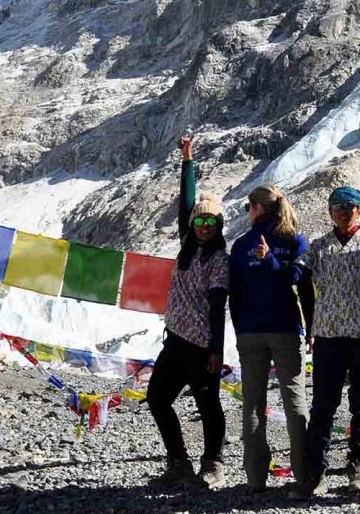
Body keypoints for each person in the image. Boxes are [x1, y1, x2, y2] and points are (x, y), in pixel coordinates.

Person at [292, 186, 360, 499]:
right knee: (323, 404)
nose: (343, 210)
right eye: (337, 206)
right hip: (327, 335)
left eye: (350, 205)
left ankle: (358, 465)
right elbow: (297, 274)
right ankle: (316, 473)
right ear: (329, 212)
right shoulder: (317, 247)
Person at [146, 136, 229, 489]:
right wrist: (188, 160)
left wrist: (216, 350)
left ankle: (213, 465)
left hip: (201, 346)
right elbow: (187, 202)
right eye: (200, 221)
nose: (205, 226)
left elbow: (218, 307)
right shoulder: (186, 246)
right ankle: (178, 462)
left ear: (219, 225)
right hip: (176, 341)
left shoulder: (219, 261)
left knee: (208, 405)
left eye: (211, 222)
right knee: (158, 398)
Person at [229, 185, 314, 493]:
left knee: (252, 404)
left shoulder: (240, 246)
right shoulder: (295, 241)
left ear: (258, 208)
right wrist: (311, 326)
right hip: (286, 327)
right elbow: (303, 285)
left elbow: (234, 293)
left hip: (250, 331)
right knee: (294, 401)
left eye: (248, 207)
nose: (247, 212)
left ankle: (255, 479)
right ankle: (304, 475)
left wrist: (240, 328)